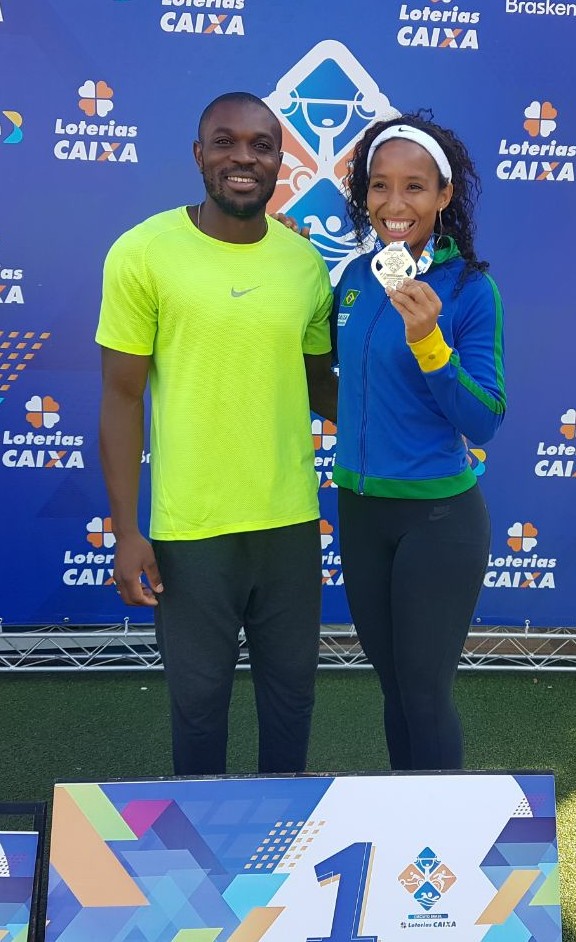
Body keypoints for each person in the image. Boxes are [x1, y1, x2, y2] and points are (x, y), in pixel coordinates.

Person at [97, 92, 337, 777]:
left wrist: (420, 415)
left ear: (281, 161)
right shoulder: (143, 253)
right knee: (199, 709)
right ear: (199, 154)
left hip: (289, 524)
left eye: (261, 145)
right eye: (225, 142)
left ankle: (287, 837)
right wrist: (127, 532)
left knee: (291, 703)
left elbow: (322, 387)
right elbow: (120, 398)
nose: (243, 157)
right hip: (190, 531)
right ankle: (196, 845)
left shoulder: (304, 264)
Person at [332, 112, 506, 771]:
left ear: (443, 195)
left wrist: (430, 342)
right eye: (379, 186)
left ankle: (444, 831)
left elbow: (484, 419)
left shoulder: (469, 290)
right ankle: (409, 819)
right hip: (361, 511)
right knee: (394, 688)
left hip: (438, 519)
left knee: (426, 695)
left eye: (414, 187)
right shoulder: (355, 278)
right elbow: (339, 379)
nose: (394, 204)